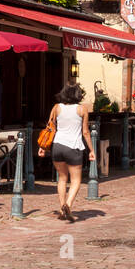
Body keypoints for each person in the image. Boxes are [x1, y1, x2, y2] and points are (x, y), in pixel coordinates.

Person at [39, 82, 94, 222]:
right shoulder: (82, 109)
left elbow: (50, 128)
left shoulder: (57, 107)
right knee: (76, 180)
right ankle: (67, 205)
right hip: (73, 147)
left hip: (57, 146)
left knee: (62, 178)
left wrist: (43, 147)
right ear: (78, 95)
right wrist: (92, 150)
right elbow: (85, 132)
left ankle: (61, 208)